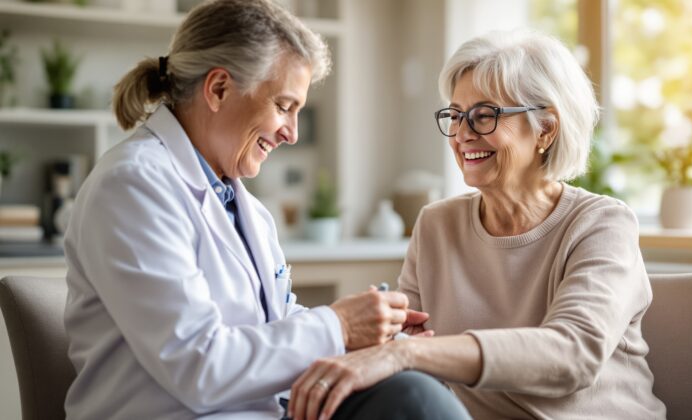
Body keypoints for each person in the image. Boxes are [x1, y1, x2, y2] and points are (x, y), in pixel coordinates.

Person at [63, 1, 469, 419]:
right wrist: (338, 325)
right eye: (284, 107)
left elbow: (276, 321)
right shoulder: (133, 185)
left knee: (409, 390)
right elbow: (198, 366)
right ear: (218, 89)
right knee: (412, 402)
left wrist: (374, 337)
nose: (291, 133)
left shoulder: (246, 208)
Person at [290, 29, 668, 420]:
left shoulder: (602, 223)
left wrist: (406, 352)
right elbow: (406, 348)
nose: (462, 134)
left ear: (546, 129)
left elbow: (573, 355)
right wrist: (387, 337)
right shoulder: (436, 223)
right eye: (455, 115)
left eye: (484, 116)